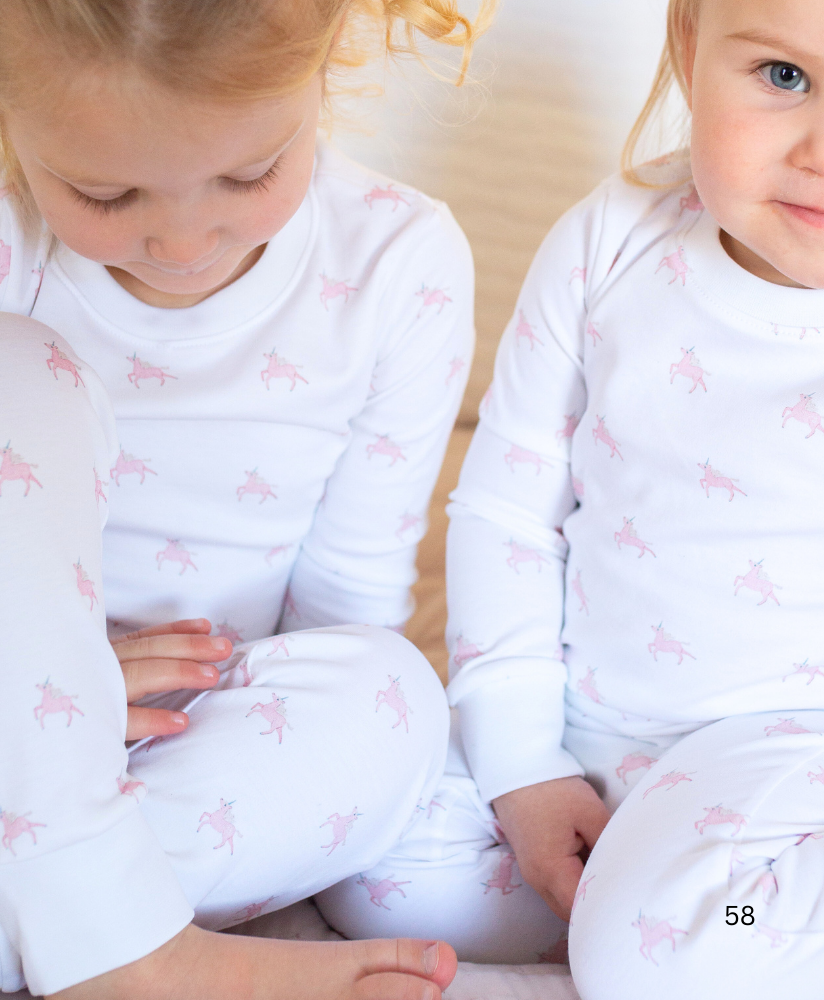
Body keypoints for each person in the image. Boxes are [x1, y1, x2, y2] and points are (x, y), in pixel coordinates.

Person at [0, 1, 489, 997]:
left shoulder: (399, 266)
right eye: (105, 193)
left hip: (154, 765)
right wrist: (54, 708)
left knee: (396, 701)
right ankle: (118, 945)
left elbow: (342, 616)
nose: (181, 243)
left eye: (249, 174)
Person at [317, 0, 824, 995]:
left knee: (683, 933)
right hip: (590, 723)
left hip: (779, 764)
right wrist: (522, 764)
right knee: (370, 867)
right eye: (784, 77)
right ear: (689, 46)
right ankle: (644, 943)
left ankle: (715, 935)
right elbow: (507, 513)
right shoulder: (613, 236)